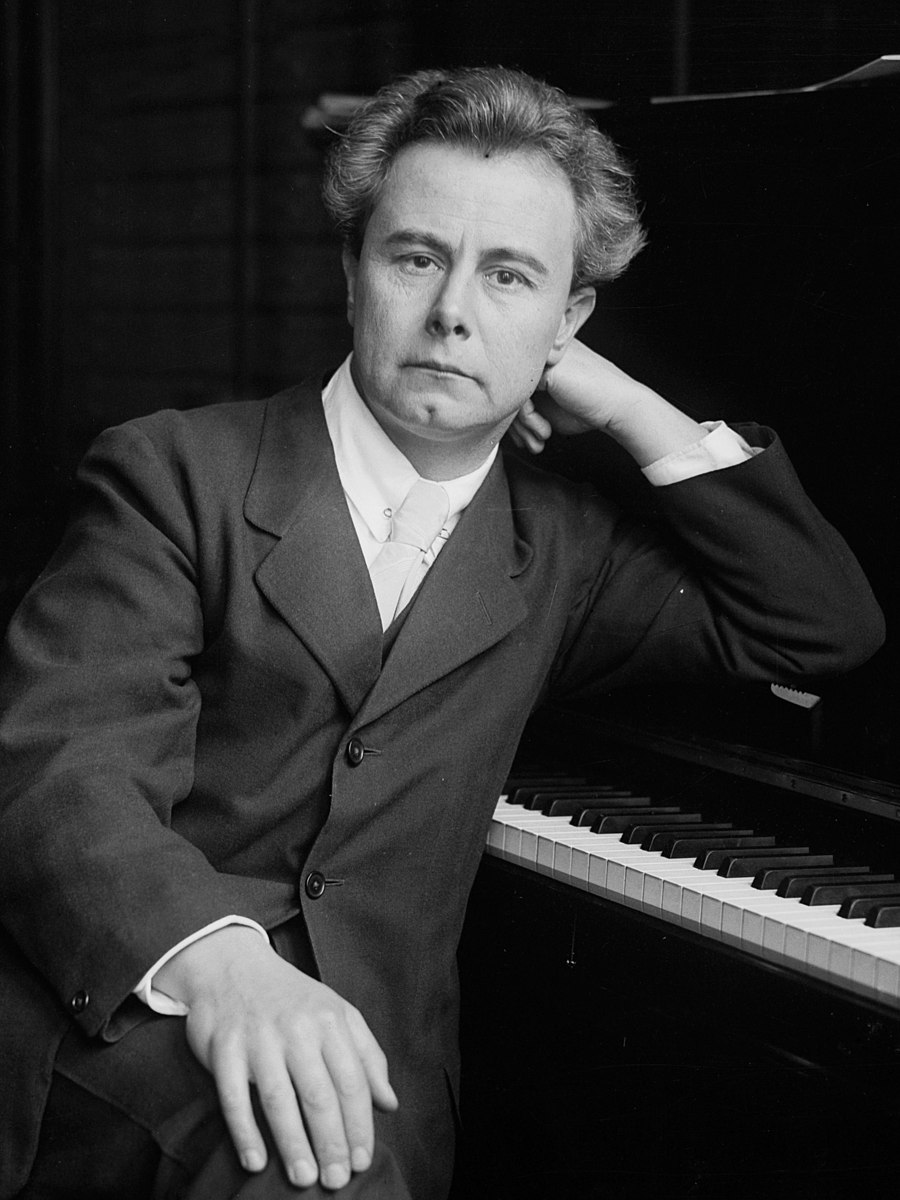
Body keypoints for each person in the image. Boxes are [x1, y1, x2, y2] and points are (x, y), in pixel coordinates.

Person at [0, 65, 884, 1200]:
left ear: (568, 322)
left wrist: (625, 404)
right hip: (131, 1016)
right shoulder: (177, 472)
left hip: (381, 1064)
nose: (453, 310)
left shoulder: (560, 546)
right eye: (417, 257)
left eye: (509, 276)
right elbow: (56, 770)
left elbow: (820, 626)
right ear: (353, 273)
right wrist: (220, 963)